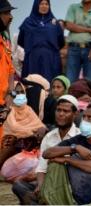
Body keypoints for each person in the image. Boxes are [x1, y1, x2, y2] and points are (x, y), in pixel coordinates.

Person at [40, 104, 91, 205]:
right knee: (55, 164)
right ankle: (54, 200)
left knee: (66, 160)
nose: (84, 121)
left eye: (90, 118)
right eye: (84, 117)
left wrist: (68, 160)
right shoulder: (79, 139)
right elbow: (47, 153)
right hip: (79, 188)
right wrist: (75, 148)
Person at [11, 95, 80, 205]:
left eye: (66, 111)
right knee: (18, 185)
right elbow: (42, 168)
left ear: (75, 114)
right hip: (48, 183)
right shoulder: (49, 137)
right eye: (58, 110)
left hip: (69, 185)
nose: (61, 114)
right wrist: (42, 186)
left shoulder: (79, 136)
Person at [0, 82, 46, 168]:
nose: (20, 95)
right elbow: (14, 128)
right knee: (11, 139)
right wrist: (32, 133)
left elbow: (38, 124)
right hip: (10, 144)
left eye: (22, 92)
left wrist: (41, 130)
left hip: (27, 142)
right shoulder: (7, 110)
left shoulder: (28, 109)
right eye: (16, 93)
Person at [18, 0, 65, 82]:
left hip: (51, 59)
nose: (44, 6)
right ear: (36, 5)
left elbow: (61, 41)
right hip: (33, 58)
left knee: (50, 83)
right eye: (41, 4)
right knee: (32, 83)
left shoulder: (54, 23)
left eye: (47, 4)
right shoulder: (28, 22)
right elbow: (21, 40)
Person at [65, 0, 91, 83]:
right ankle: (69, 96)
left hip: (90, 49)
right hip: (73, 48)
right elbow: (69, 25)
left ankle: (89, 96)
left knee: (90, 82)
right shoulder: (73, 7)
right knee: (70, 80)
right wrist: (90, 29)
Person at [0, 0, 16, 141]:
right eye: (6, 13)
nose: (11, 17)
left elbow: (11, 70)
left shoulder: (4, 41)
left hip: (3, 105)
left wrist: (11, 93)